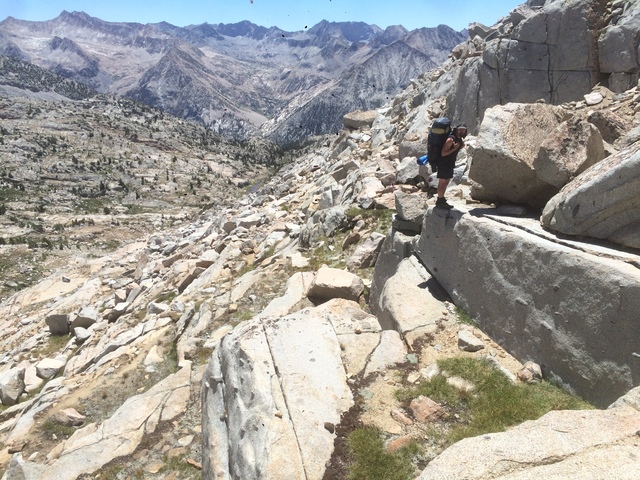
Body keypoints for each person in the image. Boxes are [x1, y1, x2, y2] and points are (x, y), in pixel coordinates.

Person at [435, 124, 467, 209]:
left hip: (450, 164)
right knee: (442, 182)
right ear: (456, 129)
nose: (462, 131)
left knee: (446, 182)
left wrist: (459, 146)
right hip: (443, 164)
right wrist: (454, 148)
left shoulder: (459, 139)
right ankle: (439, 201)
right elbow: (443, 153)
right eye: (460, 129)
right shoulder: (450, 139)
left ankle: (441, 200)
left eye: (463, 129)